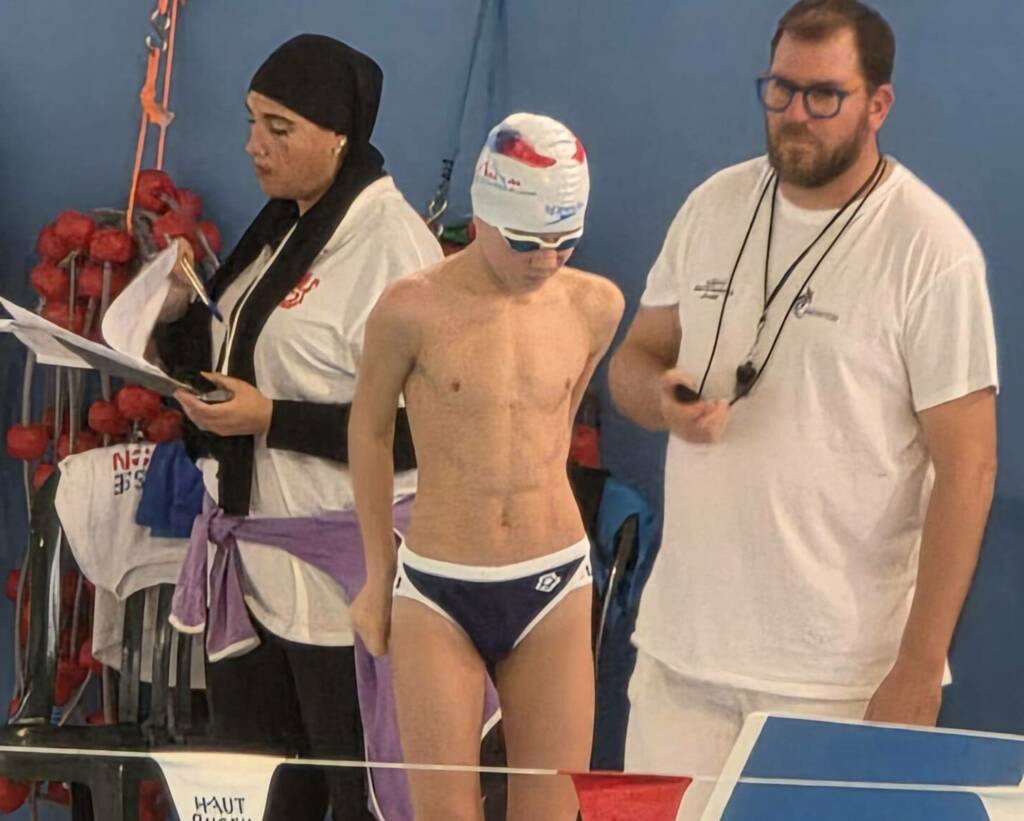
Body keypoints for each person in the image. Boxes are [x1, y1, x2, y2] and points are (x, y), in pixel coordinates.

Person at [608, 1, 998, 817]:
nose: (794, 114)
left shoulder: (929, 250)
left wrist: (919, 668)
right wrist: (664, 402)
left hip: (836, 678)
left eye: (824, 96)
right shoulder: (712, 206)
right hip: (682, 656)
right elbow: (634, 362)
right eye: (780, 89)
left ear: (878, 104)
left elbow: (969, 468)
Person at [154, 34, 441, 820]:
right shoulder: (280, 229)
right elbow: (235, 362)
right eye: (252, 121)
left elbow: (426, 431)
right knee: (261, 795)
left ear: (340, 135)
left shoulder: (394, 249)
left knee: (351, 795)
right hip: (252, 566)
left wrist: (271, 419)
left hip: (341, 575)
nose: (254, 145)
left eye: (279, 128)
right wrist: (174, 320)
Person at [349, 112, 624, 821]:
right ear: (481, 217)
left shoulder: (595, 305)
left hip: (553, 577)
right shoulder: (410, 309)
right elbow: (370, 430)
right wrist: (377, 574)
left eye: (565, 241)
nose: (546, 260)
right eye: (527, 241)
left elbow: (551, 429)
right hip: (439, 585)